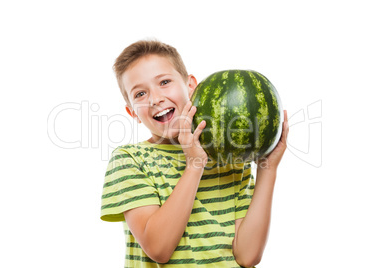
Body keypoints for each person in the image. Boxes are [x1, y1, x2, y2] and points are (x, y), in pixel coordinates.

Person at [100, 40, 289, 267]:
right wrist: (194, 165)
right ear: (133, 113)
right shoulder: (130, 159)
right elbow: (158, 249)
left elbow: (248, 256)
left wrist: (268, 166)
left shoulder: (230, 157)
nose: (155, 98)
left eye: (164, 82)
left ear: (191, 86)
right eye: (140, 93)